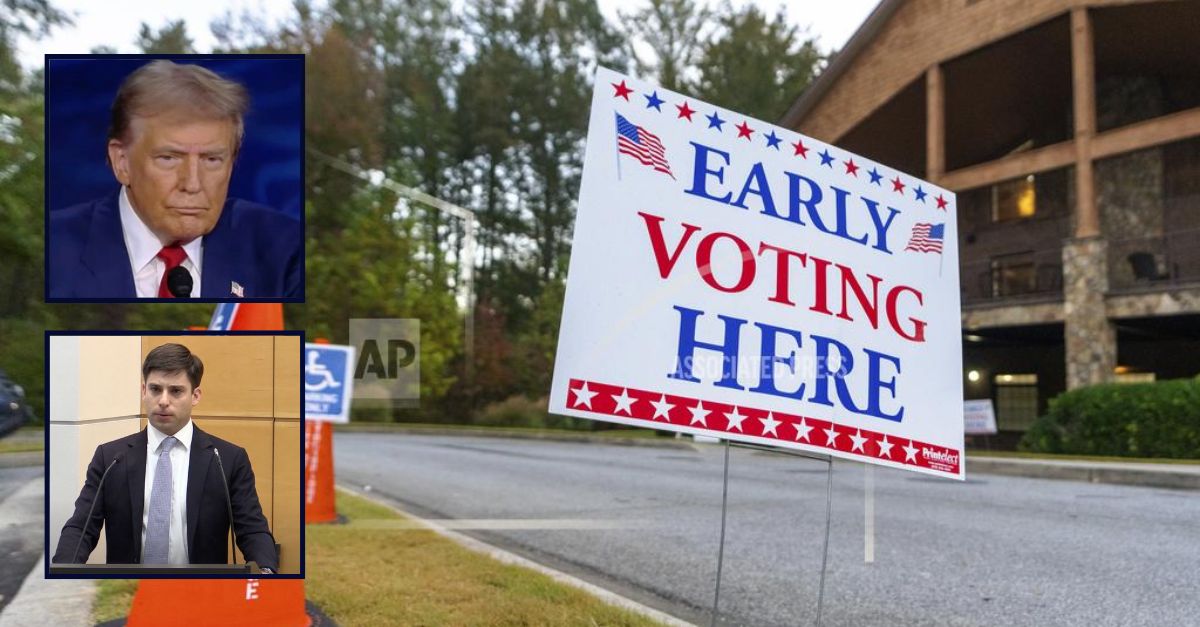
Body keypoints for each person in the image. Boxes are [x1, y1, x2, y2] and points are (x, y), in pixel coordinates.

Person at [47, 59, 301, 299]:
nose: (192, 184)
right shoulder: (52, 249)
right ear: (121, 162)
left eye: (211, 160)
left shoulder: (285, 252)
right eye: (169, 158)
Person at [53, 343, 278, 572]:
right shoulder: (110, 457)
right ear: (143, 391)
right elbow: (81, 527)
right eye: (155, 389)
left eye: (176, 391)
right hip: (130, 590)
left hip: (203, 592)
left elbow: (252, 529)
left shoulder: (227, 459)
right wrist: (62, 571)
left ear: (195, 396)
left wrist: (267, 571)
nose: (163, 400)